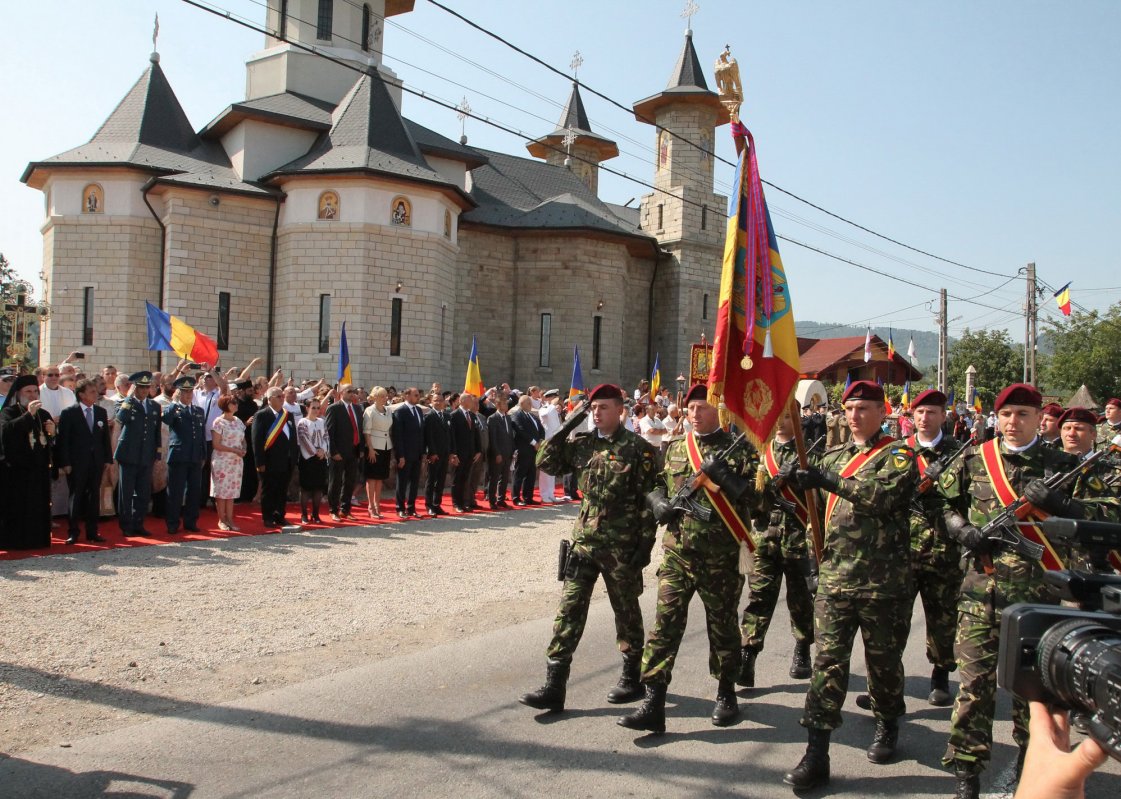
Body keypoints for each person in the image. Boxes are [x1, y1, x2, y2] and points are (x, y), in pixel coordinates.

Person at [937, 383, 1099, 799]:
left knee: (1034, 697)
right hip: (979, 595)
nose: (1013, 422)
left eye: (1023, 414)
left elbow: (1104, 517)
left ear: (1038, 419)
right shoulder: (975, 458)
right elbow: (944, 504)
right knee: (973, 689)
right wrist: (962, 530)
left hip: (1037, 600)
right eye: (1006, 414)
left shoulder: (1060, 465)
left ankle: (1033, 769)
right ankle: (967, 774)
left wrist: (1065, 506)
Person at [783, 380, 916, 790]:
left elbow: (880, 498)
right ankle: (816, 752)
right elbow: (815, 516)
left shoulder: (898, 455)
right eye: (850, 408)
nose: (855, 416)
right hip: (836, 581)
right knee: (827, 666)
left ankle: (887, 722)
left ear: (883, 411)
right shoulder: (834, 455)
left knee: (883, 665)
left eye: (864, 408)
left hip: (882, 583)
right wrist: (811, 559)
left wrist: (824, 479)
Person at [619, 384, 760, 733]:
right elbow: (656, 485)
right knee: (664, 626)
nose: (696, 414)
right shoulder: (679, 446)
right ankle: (654, 700)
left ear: (720, 411)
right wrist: (658, 504)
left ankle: (726, 692)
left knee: (722, 627)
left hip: (722, 556)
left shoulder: (739, 451)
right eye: (692, 407)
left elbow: (758, 501)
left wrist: (724, 477)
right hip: (678, 554)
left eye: (704, 407)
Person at [519, 384, 659, 713]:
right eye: (593, 408)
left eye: (604, 408)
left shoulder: (639, 450)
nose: (597, 413)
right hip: (584, 543)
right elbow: (545, 461)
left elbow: (651, 500)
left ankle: (631, 675)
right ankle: (555, 684)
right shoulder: (582, 444)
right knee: (569, 610)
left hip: (621, 547)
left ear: (620, 411)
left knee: (626, 612)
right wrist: (568, 424)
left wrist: (645, 545)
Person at [738, 405, 816, 691]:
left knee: (800, 600)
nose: (782, 422)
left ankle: (803, 647)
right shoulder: (759, 453)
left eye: (787, 416)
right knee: (758, 599)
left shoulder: (812, 453)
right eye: (778, 416)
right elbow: (749, 498)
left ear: (796, 419)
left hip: (799, 540)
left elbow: (818, 502)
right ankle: (748, 654)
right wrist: (773, 484)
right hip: (764, 539)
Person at [0, 376, 56, 549]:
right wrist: (28, 415)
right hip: (16, 471)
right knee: (18, 507)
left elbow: (47, 442)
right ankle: (15, 542)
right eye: (28, 391)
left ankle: (37, 540)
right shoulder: (8, 412)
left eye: (35, 391)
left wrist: (52, 433)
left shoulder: (44, 414)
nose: (33, 395)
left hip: (38, 470)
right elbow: (6, 433)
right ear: (18, 394)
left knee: (37, 506)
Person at [55, 378, 112, 544]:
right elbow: (63, 441)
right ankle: (73, 531)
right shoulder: (69, 413)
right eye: (92, 392)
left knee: (94, 496)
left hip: (96, 461)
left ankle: (92, 531)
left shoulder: (100, 412)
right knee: (76, 496)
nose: (96, 394)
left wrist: (107, 458)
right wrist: (65, 462)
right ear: (81, 395)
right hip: (77, 462)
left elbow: (104, 439)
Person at [114, 371, 161, 537]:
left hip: (146, 454)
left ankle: (138, 522)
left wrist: (158, 452)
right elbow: (121, 418)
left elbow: (156, 432)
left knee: (143, 493)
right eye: (141, 387)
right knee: (126, 492)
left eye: (147, 387)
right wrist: (129, 398)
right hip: (129, 453)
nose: (144, 390)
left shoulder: (154, 406)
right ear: (135, 388)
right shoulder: (126, 403)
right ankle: (126, 524)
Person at [163, 376, 208, 535]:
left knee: (194, 491)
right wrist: (175, 403)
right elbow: (166, 420)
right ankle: (172, 522)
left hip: (195, 456)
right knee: (176, 491)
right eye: (185, 392)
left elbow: (201, 434)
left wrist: (203, 454)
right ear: (179, 393)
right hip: (179, 455)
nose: (188, 395)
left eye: (190, 391)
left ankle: (190, 521)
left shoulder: (198, 411)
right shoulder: (174, 408)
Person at [253, 387, 299, 528]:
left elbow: (293, 437)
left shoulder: (288, 415)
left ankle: (280, 515)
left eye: (282, 396)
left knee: (282, 489)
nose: (282, 398)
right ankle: (268, 517)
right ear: (270, 399)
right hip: (270, 460)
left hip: (287, 459)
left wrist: (294, 456)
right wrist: (260, 461)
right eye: (279, 396)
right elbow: (257, 440)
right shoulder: (262, 415)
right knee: (269, 489)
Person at [325, 383, 362, 521]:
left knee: (350, 481)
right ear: (341, 392)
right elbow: (330, 432)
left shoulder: (357, 408)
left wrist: (361, 448)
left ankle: (345, 509)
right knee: (335, 481)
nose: (352, 393)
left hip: (353, 451)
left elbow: (359, 429)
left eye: (354, 391)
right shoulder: (334, 408)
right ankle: (333, 509)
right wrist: (333, 451)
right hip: (338, 452)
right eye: (349, 391)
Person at [210, 395, 246, 531]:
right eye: (233, 403)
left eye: (236, 402)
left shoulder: (238, 421)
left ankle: (230, 519)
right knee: (221, 492)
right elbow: (216, 444)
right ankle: (222, 519)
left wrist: (244, 448)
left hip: (236, 461)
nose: (236, 405)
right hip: (222, 460)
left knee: (231, 492)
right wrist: (233, 450)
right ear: (226, 405)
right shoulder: (219, 422)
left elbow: (242, 438)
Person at [391, 386, 425, 518]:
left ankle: (411, 508)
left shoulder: (418, 410)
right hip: (405, 454)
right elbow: (398, 436)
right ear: (407, 396)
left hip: (417, 453)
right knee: (402, 482)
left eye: (418, 395)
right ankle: (400, 507)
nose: (418, 397)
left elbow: (421, 433)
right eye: (415, 395)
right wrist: (401, 456)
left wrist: (422, 452)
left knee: (414, 483)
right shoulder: (401, 412)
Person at [422, 391, 456, 516]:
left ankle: (437, 504)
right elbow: (428, 436)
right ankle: (429, 505)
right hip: (434, 454)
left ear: (444, 402)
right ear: (431, 402)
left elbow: (451, 435)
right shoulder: (429, 416)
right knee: (431, 480)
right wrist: (432, 452)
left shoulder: (447, 416)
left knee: (441, 480)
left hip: (445, 453)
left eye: (440, 400)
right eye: (435, 400)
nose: (438, 402)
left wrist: (452, 452)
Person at [296, 397, 328, 523]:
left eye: (317, 407)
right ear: (307, 408)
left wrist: (323, 450)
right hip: (307, 459)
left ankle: (315, 514)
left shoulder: (322, 421)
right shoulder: (302, 422)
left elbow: (326, 437)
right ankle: (304, 515)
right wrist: (316, 452)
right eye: (313, 407)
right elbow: (304, 439)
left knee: (318, 488)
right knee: (306, 488)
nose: (316, 410)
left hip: (320, 458)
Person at [362, 386, 392, 519]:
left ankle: (377, 504)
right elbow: (366, 431)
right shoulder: (370, 410)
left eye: (386, 396)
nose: (385, 398)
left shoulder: (389, 410)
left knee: (380, 478)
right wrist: (370, 449)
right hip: (374, 446)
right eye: (382, 396)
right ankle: (371, 506)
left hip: (386, 446)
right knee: (372, 477)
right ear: (375, 397)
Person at [449, 393, 481, 512]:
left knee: (465, 478)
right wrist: (453, 453)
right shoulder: (454, 415)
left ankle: (463, 502)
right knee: (457, 479)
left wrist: (478, 450)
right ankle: (456, 503)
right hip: (459, 454)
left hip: (470, 453)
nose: (472, 402)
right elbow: (452, 436)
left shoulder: (471, 415)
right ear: (462, 401)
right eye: (470, 400)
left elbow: (475, 434)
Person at [511, 394, 544, 506]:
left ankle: (528, 497)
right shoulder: (517, 415)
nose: (530, 405)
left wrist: (540, 441)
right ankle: (516, 497)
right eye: (528, 403)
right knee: (519, 474)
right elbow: (520, 430)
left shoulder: (532, 416)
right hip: (524, 449)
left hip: (535, 450)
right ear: (521, 404)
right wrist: (534, 443)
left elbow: (541, 429)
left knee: (531, 474)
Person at [486, 392, 516, 509]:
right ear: (498, 405)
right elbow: (493, 438)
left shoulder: (508, 417)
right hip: (497, 454)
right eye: (504, 403)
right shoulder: (492, 419)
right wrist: (497, 453)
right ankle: (492, 501)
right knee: (494, 478)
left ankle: (501, 499)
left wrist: (512, 451)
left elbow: (510, 436)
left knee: (504, 479)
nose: (506, 404)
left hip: (508, 453)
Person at [537, 390, 563, 503]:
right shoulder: (544, 408)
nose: (557, 399)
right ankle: (544, 494)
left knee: (552, 468)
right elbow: (545, 415)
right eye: (554, 397)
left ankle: (551, 493)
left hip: (555, 441)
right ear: (548, 398)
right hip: (547, 442)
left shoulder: (554, 409)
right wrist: (552, 405)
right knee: (545, 470)